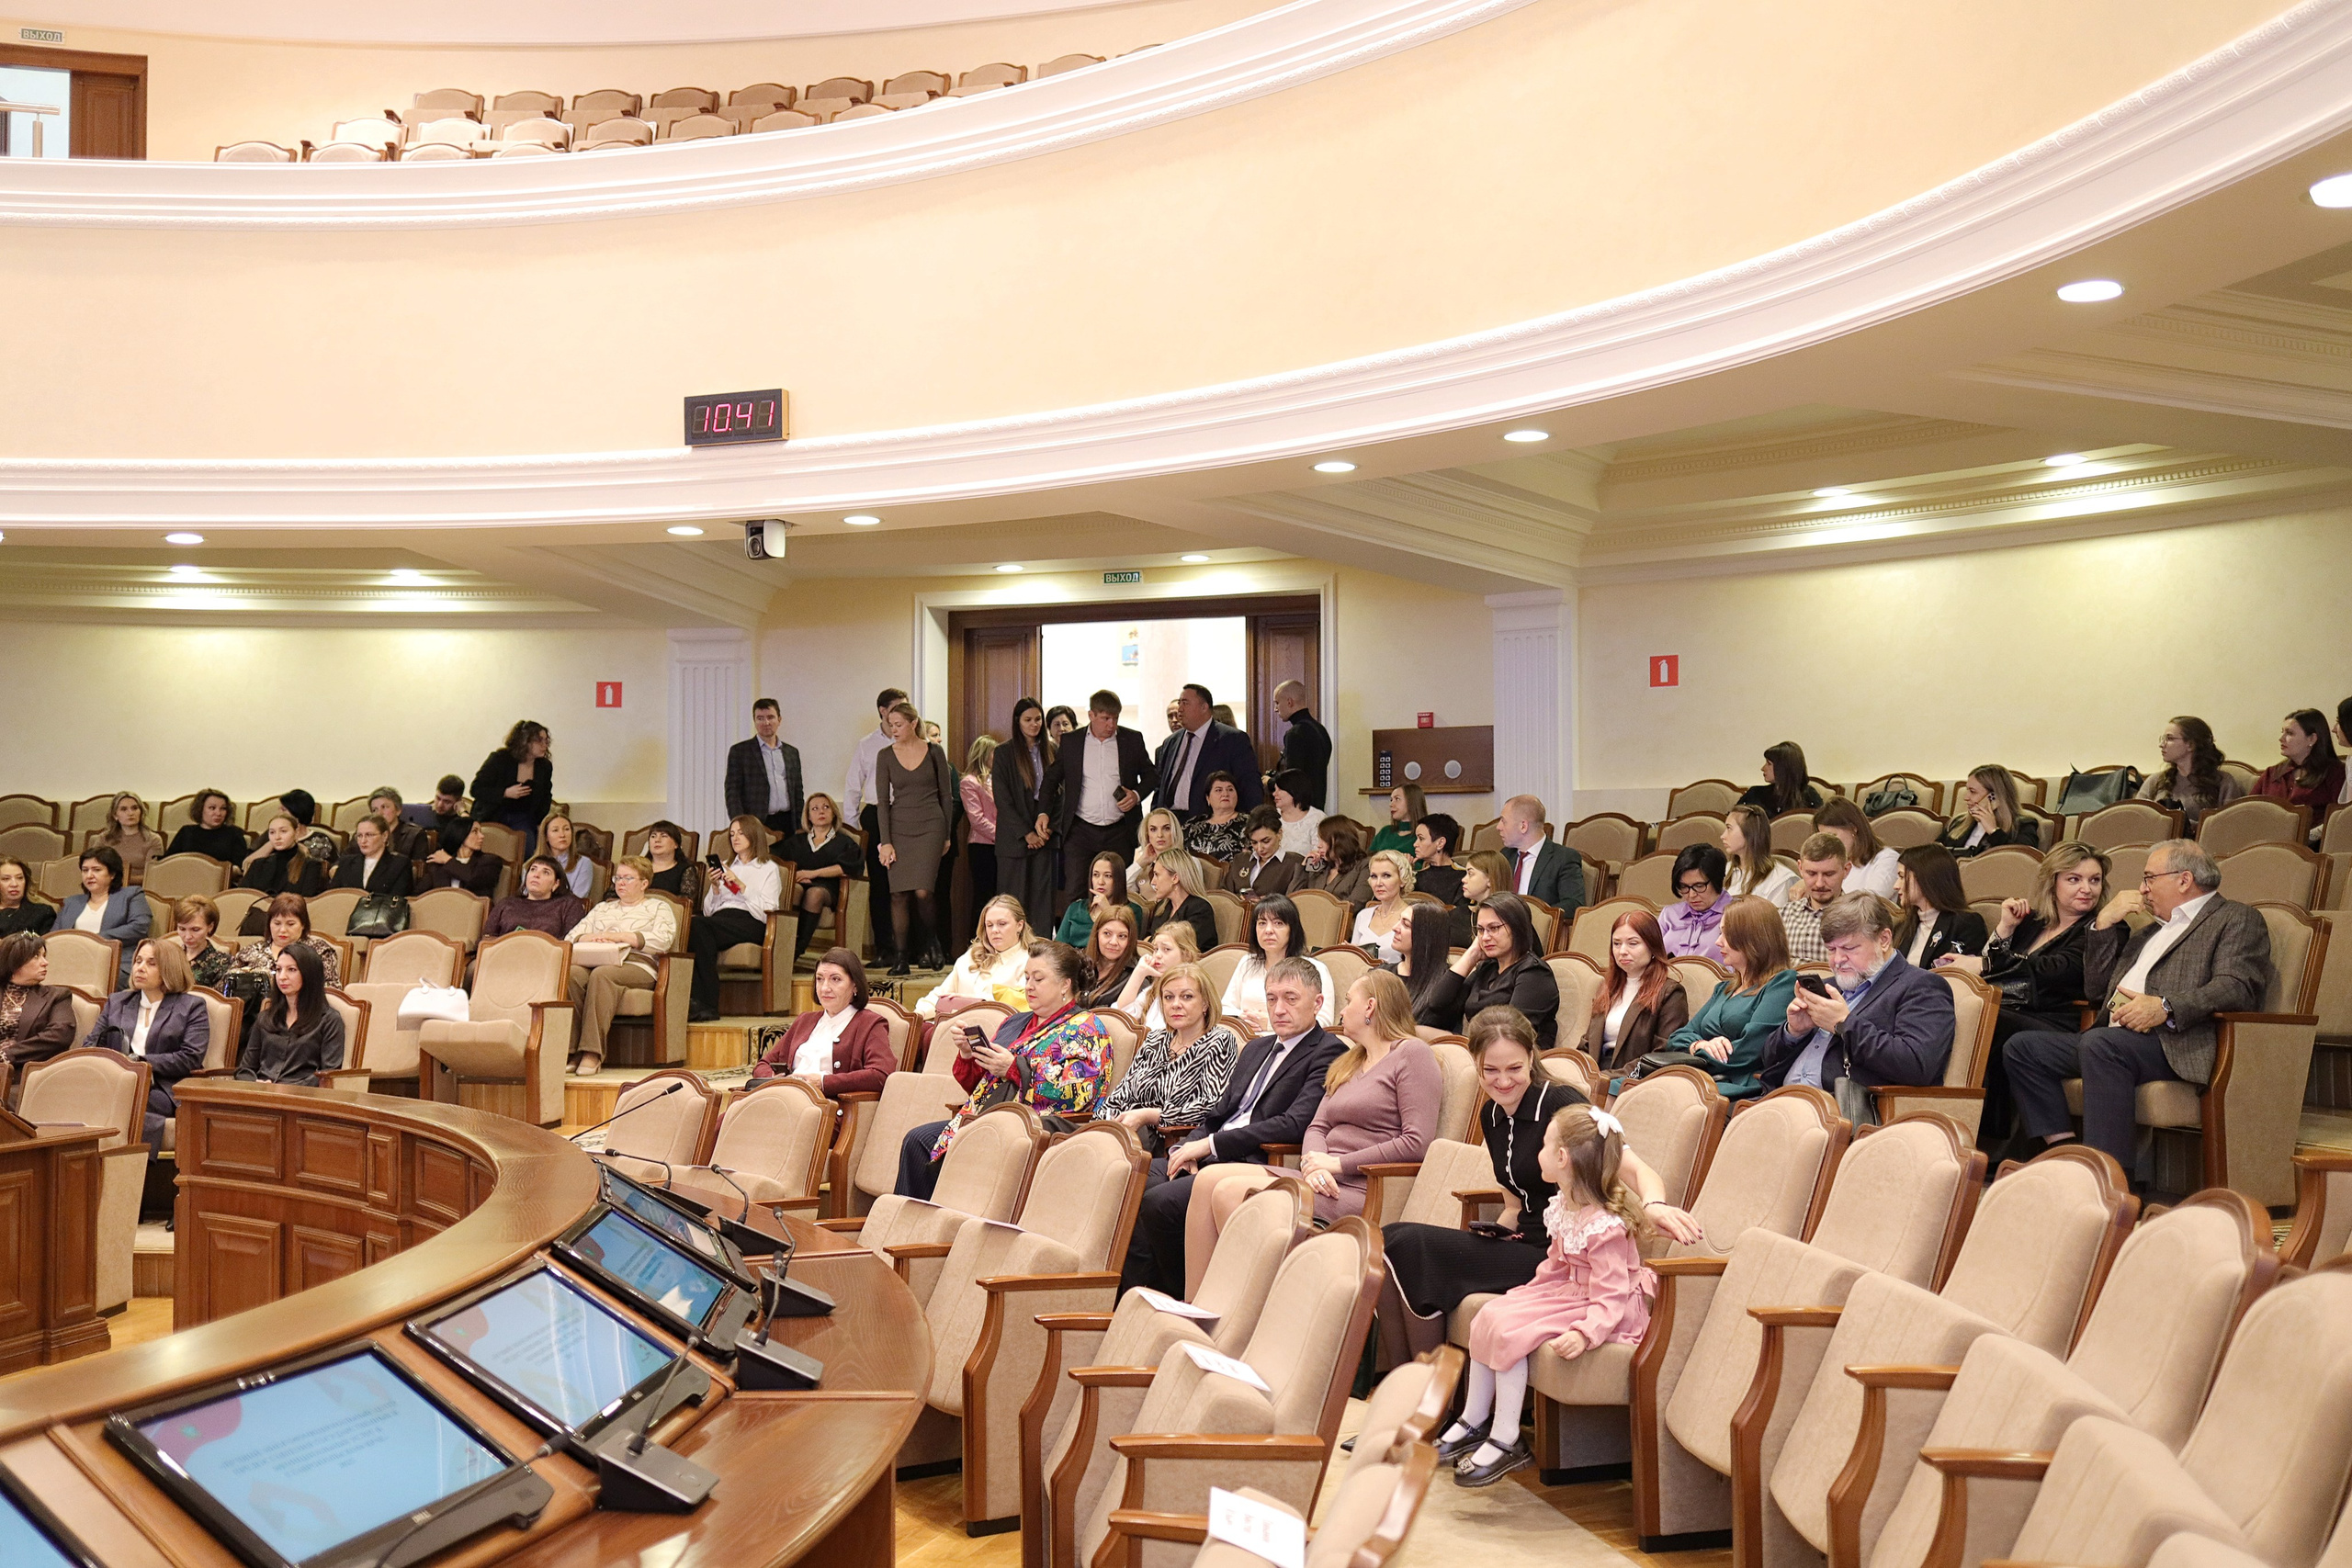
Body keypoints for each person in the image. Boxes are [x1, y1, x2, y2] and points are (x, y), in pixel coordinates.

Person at [1380, 1010, 1700, 1361]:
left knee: (1409, 1242)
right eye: (1491, 1070)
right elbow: (1514, 1206)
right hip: (1521, 1244)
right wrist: (1483, 1245)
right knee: (1388, 1241)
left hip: (1560, 1259)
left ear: (1531, 1058)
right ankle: (1403, 1376)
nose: (1503, 1081)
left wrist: (1654, 1205)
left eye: (1514, 1068)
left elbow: (1637, 1170)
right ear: (1477, 1065)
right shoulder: (1491, 1115)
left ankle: (1431, 1382)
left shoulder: (1561, 1102)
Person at [2005, 840, 2271, 1175]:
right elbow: (2096, 990)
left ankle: (2111, 1180)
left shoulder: (2235, 918)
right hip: (2113, 1037)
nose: (2142, 889)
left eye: (2149, 878)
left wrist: (2166, 1006)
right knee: (2023, 1047)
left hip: (2174, 1041)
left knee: (2101, 1044)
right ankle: (2065, 1155)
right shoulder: (2148, 931)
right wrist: (2103, 924)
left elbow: (2237, 986)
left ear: (2184, 880)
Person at [1435, 1103, 1661, 1487]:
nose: (1537, 1152)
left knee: (1511, 1330)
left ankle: (1507, 1438)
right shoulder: (1565, 1207)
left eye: (1543, 1145)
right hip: (1570, 1292)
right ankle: (1473, 1419)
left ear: (1562, 1158)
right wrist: (1525, 1295)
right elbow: (1555, 1266)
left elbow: (1612, 1294)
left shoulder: (1604, 1226)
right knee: (1490, 1314)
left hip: (1604, 1308)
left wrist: (1586, 1333)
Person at [1120, 956, 1346, 1295]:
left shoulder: (1328, 1051)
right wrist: (1187, 1146)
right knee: (1129, 1180)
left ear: (1317, 1003)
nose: (1279, 1009)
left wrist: (1210, 1145)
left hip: (1251, 1161)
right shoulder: (1256, 1047)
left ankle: (1179, 1295)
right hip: (1210, 1152)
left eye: (1290, 998)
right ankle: (1132, 1296)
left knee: (1158, 1202)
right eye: (1272, 999)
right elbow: (1218, 1113)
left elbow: (1294, 1123)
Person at [895, 942, 1110, 1198]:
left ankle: (947, 1219)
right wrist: (968, 1054)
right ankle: (915, 1221)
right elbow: (980, 1089)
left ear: (1065, 984)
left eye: (1038, 979)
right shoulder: (1014, 1022)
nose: (1029, 986)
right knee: (917, 1140)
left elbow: (1079, 1091)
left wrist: (1014, 1069)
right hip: (988, 1116)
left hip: (1033, 1127)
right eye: (1027, 977)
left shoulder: (1085, 1028)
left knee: (969, 1146)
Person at [1936, 841, 2110, 1151]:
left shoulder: (2102, 928)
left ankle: (1984, 1135)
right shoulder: (2032, 922)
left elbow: (2057, 970)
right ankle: (1939, 1113)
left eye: (2094, 880)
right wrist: (2006, 928)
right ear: (2052, 883)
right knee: (1959, 1010)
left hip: (2059, 1021)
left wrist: (1985, 964)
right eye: (2074, 879)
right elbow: (1995, 969)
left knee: (1989, 1019)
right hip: (2014, 1012)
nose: (2087, 888)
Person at [1758, 891, 1957, 1123]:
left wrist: (1844, 1024)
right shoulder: (1830, 987)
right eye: (1831, 950)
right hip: (1779, 1103)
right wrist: (1793, 1032)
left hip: (1841, 1118)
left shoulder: (1921, 987)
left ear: (1884, 939)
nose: (1837, 960)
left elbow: (1916, 1065)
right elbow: (1767, 1060)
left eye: (1849, 949)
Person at [1096, 962, 1241, 1148]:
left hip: (1167, 1139)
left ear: (1205, 1003)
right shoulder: (1155, 1039)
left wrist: (1150, 1115)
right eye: (1168, 997)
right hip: (1125, 1129)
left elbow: (1210, 1106)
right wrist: (1103, 1122)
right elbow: (1121, 1094)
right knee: (1064, 1132)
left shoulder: (1220, 1041)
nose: (1176, 1005)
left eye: (1187, 997)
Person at [1672, 896, 1801, 1100]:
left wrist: (1697, 1055)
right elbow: (1677, 1038)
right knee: (1625, 1086)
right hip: (1703, 1076)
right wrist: (1700, 1045)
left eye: (1727, 934)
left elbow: (1750, 1052)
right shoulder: (1724, 989)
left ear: (1753, 939)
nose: (1718, 941)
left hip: (1740, 1086)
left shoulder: (1782, 983)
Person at [1047, 689, 1153, 930]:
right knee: (1076, 890)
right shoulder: (1072, 742)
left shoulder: (1131, 739)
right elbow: (1051, 779)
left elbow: (1151, 775)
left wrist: (1136, 795)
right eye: (1105, 718)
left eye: (1115, 718)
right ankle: (1073, 942)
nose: (1111, 724)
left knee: (1120, 889)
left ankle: (1117, 937)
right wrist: (1044, 813)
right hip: (1080, 829)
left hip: (1119, 829)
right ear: (1091, 715)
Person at [562, 856, 678, 1076]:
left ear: (644, 883)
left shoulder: (659, 907)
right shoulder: (602, 908)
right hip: (596, 959)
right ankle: (572, 1050)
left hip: (637, 964)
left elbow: (663, 940)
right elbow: (571, 937)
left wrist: (622, 937)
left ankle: (592, 1052)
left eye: (628, 878)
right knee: (572, 974)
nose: (621, 883)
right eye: (618, 878)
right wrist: (592, 938)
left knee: (602, 975)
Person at [91, 938, 210, 1144]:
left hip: (162, 1088)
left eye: (151, 963)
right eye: (138, 961)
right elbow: (91, 1045)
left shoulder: (192, 1006)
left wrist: (139, 1062)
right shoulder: (117, 1002)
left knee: (121, 1101)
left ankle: (129, 1159)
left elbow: (190, 1057)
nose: (140, 968)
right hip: (114, 1082)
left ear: (170, 969)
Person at [1419, 891, 1561, 1046]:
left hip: (1513, 1052)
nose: (1485, 937)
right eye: (1481, 930)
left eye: (1493, 928)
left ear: (1517, 928)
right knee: (1413, 1033)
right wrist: (1471, 955)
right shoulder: (1488, 967)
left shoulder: (1534, 973)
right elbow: (1437, 1003)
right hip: (1478, 1046)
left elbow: (1512, 1032)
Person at [750, 948, 895, 1096]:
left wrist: (824, 1082)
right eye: (819, 979)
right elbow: (763, 1064)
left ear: (855, 985)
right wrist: (774, 1080)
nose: (825, 988)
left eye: (835, 979)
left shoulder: (869, 1024)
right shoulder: (804, 1021)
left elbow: (881, 1074)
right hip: (786, 1096)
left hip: (824, 1104)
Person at [686, 815, 785, 1022]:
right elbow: (709, 911)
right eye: (732, 834)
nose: (735, 838)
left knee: (698, 927)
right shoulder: (726, 865)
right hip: (721, 919)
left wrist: (741, 885)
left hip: (751, 921)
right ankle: (698, 1003)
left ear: (753, 835)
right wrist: (715, 888)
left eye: (741, 833)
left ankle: (705, 1003)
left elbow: (768, 911)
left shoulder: (768, 868)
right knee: (695, 926)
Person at [845, 687, 910, 967]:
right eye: (896, 707)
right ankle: (885, 949)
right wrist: (853, 831)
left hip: (906, 814)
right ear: (883, 711)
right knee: (881, 885)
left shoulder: (912, 741)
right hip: (874, 815)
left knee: (906, 883)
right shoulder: (867, 744)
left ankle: (908, 948)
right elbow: (852, 786)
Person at [1588, 909, 1690, 1070]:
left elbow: (1663, 1054)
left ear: (1652, 946)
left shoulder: (1670, 993)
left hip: (1635, 1077)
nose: (1622, 951)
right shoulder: (1607, 987)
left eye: (1633, 943)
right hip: (1595, 1072)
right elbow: (1587, 1043)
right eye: (1616, 943)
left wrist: (1606, 1078)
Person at [233, 941, 345, 1087]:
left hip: (302, 1095)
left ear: (309, 974)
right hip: (263, 1092)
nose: (282, 977)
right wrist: (256, 1083)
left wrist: (288, 1089)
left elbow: (328, 1075)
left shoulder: (329, 1020)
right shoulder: (265, 1018)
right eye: (278, 969)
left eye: (291, 970)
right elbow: (245, 1069)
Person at [1222, 895, 1339, 1033]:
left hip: (1290, 1041)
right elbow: (1225, 1009)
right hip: (1245, 1037)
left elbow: (1324, 1021)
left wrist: (1271, 1023)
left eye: (1278, 923)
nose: (1268, 930)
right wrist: (1242, 1019)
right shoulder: (1247, 963)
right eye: (1262, 923)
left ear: (1292, 930)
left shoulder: (1314, 968)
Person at [991, 699, 1058, 929]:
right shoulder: (1004, 753)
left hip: (1045, 833)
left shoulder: (1053, 750)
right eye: (1028, 720)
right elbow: (1002, 799)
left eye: (1038, 719)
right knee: (1012, 903)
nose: (1034, 724)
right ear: (1017, 721)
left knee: (1042, 903)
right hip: (1014, 837)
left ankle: (1039, 947)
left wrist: (1048, 829)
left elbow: (1061, 793)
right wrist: (1026, 833)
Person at [1156, 683, 1264, 820]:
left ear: (1204, 707)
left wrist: (1251, 822)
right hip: (1170, 822)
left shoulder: (1232, 739)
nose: (1180, 709)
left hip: (1210, 821)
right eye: (1179, 703)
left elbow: (1250, 785)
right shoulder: (1171, 742)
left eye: (1185, 703)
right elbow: (1160, 786)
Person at [916, 894, 1035, 1019]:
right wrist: (919, 1014)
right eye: (989, 925)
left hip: (1001, 1027)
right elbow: (941, 995)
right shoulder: (971, 956)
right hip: (958, 1024)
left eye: (1002, 924)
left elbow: (1024, 1004)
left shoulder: (1031, 960)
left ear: (1020, 925)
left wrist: (971, 1003)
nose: (994, 930)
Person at [779, 794, 860, 962]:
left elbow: (846, 867)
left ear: (834, 813)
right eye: (815, 809)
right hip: (800, 883)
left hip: (828, 888)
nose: (821, 812)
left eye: (826, 807)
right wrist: (794, 876)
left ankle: (797, 949)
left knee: (814, 893)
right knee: (794, 890)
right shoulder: (796, 841)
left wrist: (813, 874)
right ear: (808, 816)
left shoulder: (844, 842)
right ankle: (783, 943)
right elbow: (779, 862)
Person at [59, 847, 149, 984]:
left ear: (112, 874)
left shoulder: (131, 895)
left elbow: (140, 926)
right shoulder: (72, 902)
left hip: (115, 961)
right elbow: (55, 935)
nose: (89, 875)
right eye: (85, 870)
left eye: (96, 870)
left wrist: (94, 941)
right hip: (73, 961)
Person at [2138, 716, 2243, 833]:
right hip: (2156, 842)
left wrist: (2185, 824)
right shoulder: (2155, 780)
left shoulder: (2224, 781)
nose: (2162, 744)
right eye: (2163, 739)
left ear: (2191, 745)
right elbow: (2136, 817)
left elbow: (2231, 826)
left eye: (2170, 738)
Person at [724, 696, 806, 841]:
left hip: (789, 823)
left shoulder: (792, 753)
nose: (766, 723)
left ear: (779, 720)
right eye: (760, 718)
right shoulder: (740, 752)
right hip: (757, 823)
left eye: (770, 717)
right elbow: (733, 793)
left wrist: (800, 824)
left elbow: (797, 791)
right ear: (754, 721)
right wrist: (741, 825)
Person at [1893, 845, 1987, 967]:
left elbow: (1961, 975)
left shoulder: (1966, 924)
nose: (1896, 886)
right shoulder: (1902, 927)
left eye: (1902, 877)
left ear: (1925, 878)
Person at [227, 894, 342, 990]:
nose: (282, 930)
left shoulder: (319, 951)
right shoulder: (251, 951)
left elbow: (332, 990)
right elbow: (224, 986)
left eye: (290, 924)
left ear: (303, 924)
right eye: (277, 923)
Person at [0, 931, 76, 1071]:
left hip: (29, 1073)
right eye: (36, 956)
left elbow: (60, 1035)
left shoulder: (57, 996)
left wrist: (7, 1055)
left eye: (44, 956)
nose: (45, 963)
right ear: (15, 961)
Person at [1498, 795, 1586, 916]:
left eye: (1503, 821)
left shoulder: (1563, 858)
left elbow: (1573, 904)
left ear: (1523, 826)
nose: (1498, 827)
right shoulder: (1505, 856)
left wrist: (1534, 916)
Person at [2251, 708, 2345, 818]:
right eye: (2282, 732)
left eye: (2290, 733)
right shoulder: (2272, 773)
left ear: (2312, 739)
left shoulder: (2335, 773)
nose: (2281, 738)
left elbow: (2339, 818)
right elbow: (2247, 810)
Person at [1113, 920, 1204, 1030]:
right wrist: (1139, 973)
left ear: (1186, 955)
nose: (1158, 955)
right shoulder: (1152, 990)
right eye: (1156, 949)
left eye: (1166, 949)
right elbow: (1122, 1017)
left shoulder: (1194, 990)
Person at [470, 720, 554, 837]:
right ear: (524, 741)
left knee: (527, 839)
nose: (544, 745)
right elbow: (476, 789)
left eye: (546, 740)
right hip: (493, 815)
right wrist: (505, 793)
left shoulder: (544, 766)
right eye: (539, 740)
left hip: (525, 819)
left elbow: (546, 796)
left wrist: (540, 821)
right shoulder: (500, 759)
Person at [484, 855, 591, 941]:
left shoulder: (569, 905)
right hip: (504, 955)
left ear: (556, 883)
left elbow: (571, 941)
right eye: (533, 869)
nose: (536, 875)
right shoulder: (507, 903)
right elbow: (486, 938)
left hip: (547, 957)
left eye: (546, 872)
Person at [1780, 832, 1849, 964]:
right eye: (1811, 874)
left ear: (1846, 870)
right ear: (1800, 868)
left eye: (1829, 874)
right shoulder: (1785, 914)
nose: (1819, 883)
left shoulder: (1857, 918)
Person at [957, 736, 1000, 950]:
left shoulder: (999, 779)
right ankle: (977, 945)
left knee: (1000, 897)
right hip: (982, 846)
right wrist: (1002, 836)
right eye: (994, 752)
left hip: (1002, 847)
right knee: (983, 897)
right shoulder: (969, 782)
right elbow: (977, 819)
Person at [239, 815, 328, 911]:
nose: (277, 837)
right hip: (258, 915)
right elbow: (242, 896)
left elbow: (307, 902)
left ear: (296, 832)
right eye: (272, 832)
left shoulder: (311, 866)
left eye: (283, 831)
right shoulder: (258, 865)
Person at [1815, 797, 1899, 898]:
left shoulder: (1887, 859)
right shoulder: (1828, 862)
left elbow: (1870, 902)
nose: (1827, 844)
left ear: (1853, 828)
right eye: (1823, 838)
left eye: (1833, 836)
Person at [1939, 766, 2030, 858]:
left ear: (1994, 797)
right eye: (1967, 790)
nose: (1966, 797)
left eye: (1972, 792)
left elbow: (2021, 860)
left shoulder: (2024, 826)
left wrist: (1994, 832)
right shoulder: (1957, 823)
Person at [1658, 845, 1728, 957]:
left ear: (1717, 881)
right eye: (1684, 887)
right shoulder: (1669, 914)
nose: (1691, 895)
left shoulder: (1736, 915)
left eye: (1699, 886)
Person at [1272, 680, 1332, 808]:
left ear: (1289, 702)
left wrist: (1270, 782)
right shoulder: (1321, 730)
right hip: (1318, 806)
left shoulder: (1295, 733)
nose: (1275, 709)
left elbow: (1293, 779)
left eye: (1277, 703)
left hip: (1300, 808)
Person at [1138, 849, 1218, 946]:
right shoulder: (1162, 907)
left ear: (1175, 878)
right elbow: (1147, 940)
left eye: (1157, 875)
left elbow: (1183, 947)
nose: (1153, 882)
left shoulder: (1200, 909)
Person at [1720, 804, 1796, 905]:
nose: (1723, 836)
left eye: (1729, 828)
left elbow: (1776, 915)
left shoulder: (1780, 880)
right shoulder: (1724, 870)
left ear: (1749, 833)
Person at [1387, 905, 1455, 1016]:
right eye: (1399, 920)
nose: (1394, 928)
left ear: (1426, 936)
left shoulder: (1446, 986)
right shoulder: (1382, 973)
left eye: (1406, 924)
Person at [1351, 851, 1417, 963]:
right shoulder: (1363, 915)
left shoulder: (1412, 917)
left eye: (1386, 876)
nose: (1378, 883)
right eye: (1374, 876)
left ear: (1402, 880)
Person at [1056, 853, 1129, 948]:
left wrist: (1107, 911)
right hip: (1073, 957)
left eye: (1108, 876)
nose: (1100, 882)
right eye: (1096, 875)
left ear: (1119, 879)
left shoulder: (1131, 911)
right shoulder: (1076, 908)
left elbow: (1126, 947)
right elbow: (1058, 946)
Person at [93, 793, 166, 885]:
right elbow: (93, 867)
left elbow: (152, 875)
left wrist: (121, 880)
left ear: (141, 812)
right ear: (115, 815)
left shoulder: (153, 839)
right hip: (106, 887)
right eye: (124, 809)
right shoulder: (104, 839)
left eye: (135, 808)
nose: (130, 813)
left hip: (138, 889)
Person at [332, 816, 414, 898]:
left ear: (384, 836)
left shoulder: (400, 865)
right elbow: (332, 896)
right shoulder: (346, 863)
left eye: (369, 835)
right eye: (359, 836)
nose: (363, 841)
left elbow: (398, 899)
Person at [1080, 904, 1142, 1010]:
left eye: (1122, 936)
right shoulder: (1080, 963)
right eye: (1107, 934)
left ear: (1130, 940)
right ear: (1097, 935)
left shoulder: (1137, 978)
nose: (1113, 942)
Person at [628, 821, 704, 906]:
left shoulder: (686, 869)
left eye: (664, 836)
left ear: (676, 844)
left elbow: (686, 902)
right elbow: (617, 894)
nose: (657, 840)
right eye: (653, 836)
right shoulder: (637, 868)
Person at [1235, 807, 1307, 896]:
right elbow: (1224, 895)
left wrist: (1269, 901)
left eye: (1266, 841)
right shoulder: (1240, 860)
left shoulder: (1295, 863)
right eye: (1254, 842)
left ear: (1279, 834)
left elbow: (1297, 899)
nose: (1260, 848)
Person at [1739, 740, 1825, 816]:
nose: (1763, 768)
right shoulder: (1755, 794)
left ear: (1783, 768)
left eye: (1769, 764)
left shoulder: (1809, 795)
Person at [419, 821, 503, 897]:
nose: (482, 836)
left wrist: (448, 860)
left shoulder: (490, 861)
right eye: (475, 831)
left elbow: (473, 879)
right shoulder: (438, 865)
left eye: (480, 832)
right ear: (460, 834)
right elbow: (418, 896)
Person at [1450, 849, 1514, 946]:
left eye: (1470, 874)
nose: (1463, 879)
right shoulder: (1456, 916)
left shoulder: (1514, 918)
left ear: (1490, 880)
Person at [166, 789, 248, 864]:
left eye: (223, 808)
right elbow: (168, 860)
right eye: (212, 808)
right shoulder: (186, 832)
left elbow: (240, 866)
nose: (218, 813)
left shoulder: (234, 833)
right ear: (200, 809)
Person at [171, 896, 234, 990]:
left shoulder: (223, 963)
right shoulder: (169, 957)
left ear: (210, 927)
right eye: (182, 929)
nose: (188, 936)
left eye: (195, 929)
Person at [1185, 773, 1251, 863]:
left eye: (1230, 790)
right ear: (1208, 798)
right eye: (1218, 790)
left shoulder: (1249, 823)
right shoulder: (1193, 824)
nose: (1225, 794)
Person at [1308, 817, 1373, 906]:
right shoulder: (1322, 866)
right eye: (1319, 840)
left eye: (1324, 840)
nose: (1319, 845)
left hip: (1343, 914)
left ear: (1341, 841)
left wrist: (1322, 911)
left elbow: (1357, 902)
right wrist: (1305, 865)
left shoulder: (1364, 865)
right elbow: (1296, 899)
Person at [405, 775, 474, 856]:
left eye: (447, 802)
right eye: (438, 798)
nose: (440, 805)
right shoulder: (423, 813)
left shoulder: (460, 821)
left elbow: (471, 833)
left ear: (458, 801)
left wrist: (462, 811)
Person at [363, 789, 431, 869]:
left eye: (384, 807)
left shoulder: (415, 834)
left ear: (398, 810)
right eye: (375, 810)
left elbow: (418, 868)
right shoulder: (363, 833)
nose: (379, 813)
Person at [536, 814, 595, 900]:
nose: (562, 835)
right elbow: (528, 898)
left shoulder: (583, 863)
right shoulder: (531, 865)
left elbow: (577, 899)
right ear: (546, 837)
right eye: (555, 830)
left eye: (566, 829)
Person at [1269, 770, 1326, 862]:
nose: (1274, 794)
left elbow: (1319, 855)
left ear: (1295, 791)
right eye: (1275, 790)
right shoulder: (1270, 816)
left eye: (1280, 790)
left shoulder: (1318, 819)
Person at [1412, 814, 1465, 904]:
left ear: (1440, 843)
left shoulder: (1463, 878)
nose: (1415, 844)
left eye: (1421, 838)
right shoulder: (1416, 876)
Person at [1129, 807, 1185, 890]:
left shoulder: (1188, 863)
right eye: (1153, 829)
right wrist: (1141, 861)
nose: (1160, 835)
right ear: (1147, 834)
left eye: (1166, 828)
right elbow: (1118, 889)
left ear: (1174, 832)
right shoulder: (1142, 869)